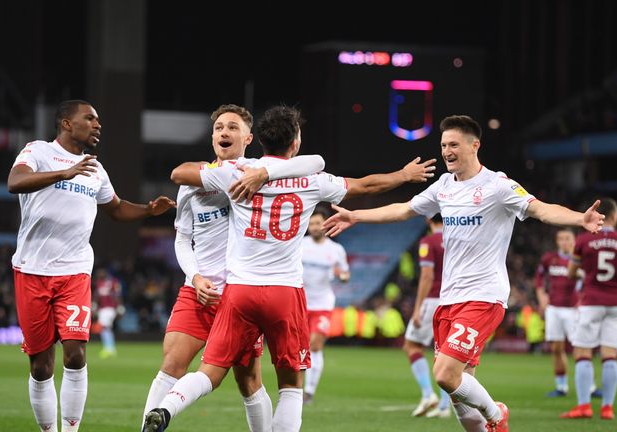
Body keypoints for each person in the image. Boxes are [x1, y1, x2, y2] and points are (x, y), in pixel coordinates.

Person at [143, 104, 435, 432]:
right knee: (291, 385)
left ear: (258, 140)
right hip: (284, 291)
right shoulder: (309, 178)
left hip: (240, 292)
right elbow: (364, 185)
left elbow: (180, 173)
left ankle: (166, 408)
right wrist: (404, 176)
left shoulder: (236, 172)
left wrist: (262, 173)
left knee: (211, 370)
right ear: (294, 143)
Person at [323, 115, 605, 432]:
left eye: (454, 144)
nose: (447, 151)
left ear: (475, 145)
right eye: (444, 145)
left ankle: (496, 414)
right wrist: (356, 215)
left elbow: (540, 208)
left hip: (483, 296)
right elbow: (404, 209)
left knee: (445, 374)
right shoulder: (444, 187)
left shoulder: (498, 186)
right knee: (458, 389)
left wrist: (580, 218)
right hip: (449, 300)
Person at [141, 103, 327, 431]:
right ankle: (149, 426)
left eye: (232, 127)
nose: (224, 133)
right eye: (219, 128)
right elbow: (183, 240)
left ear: (248, 137)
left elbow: (312, 162)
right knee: (172, 363)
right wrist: (195, 277)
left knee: (249, 381)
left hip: (240, 294)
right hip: (199, 290)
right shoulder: (196, 182)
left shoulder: (256, 174)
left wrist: (266, 172)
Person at [7, 99, 175, 432]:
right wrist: (64, 172)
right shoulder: (37, 151)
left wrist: (147, 210)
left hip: (75, 271)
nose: (98, 125)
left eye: (98, 120)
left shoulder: (95, 169)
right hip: (32, 270)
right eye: (90, 119)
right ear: (67, 123)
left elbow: (115, 207)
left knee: (76, 355)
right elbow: (15, 181)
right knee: (41, 366)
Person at [561, 197, 617, 420]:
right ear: (614, 216)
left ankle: (584, 406)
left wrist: (586, 273)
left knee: (583, 353)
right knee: (610, 355)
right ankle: (607, 408)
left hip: (591, 302)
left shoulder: (584, 241)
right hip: (615, 304)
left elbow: (571, 273)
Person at [300, 204, 351, 405]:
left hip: (323, 304)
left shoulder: (336, 250)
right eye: (311, 223)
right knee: (299, 347)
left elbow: (345, 274)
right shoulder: (300, 245)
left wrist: (343, 276)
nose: (314, 227)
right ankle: (295, 387)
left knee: (315, 345)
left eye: (317, 223)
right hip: (300, 302)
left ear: (325, 225)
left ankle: (309, 391)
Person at [403, 215, 451, 418]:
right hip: (454, 300)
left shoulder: (428, 242)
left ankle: (427, 394)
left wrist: (417, 307)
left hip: (432, 300)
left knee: (411, 345)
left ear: (428, 220)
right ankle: (444, 406)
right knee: (445, 353)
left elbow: (427, 275)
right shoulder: (456, 238)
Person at [534, 228, 578, 397]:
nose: (564, 242)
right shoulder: (549, 259)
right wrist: (541, 297)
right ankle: (561, 386)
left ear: (574, 241)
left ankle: (589, 386)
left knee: (580, 349)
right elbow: (539, 279)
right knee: (556, 349)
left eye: (567, 239)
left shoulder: (579, 259)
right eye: (561, 239)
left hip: (573, 309)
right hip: (553, 309)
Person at [93, 268, 123, 358]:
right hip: (102, 309)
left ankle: (108, 348)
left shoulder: (113, 282)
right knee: (106, 328)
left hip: (110, 309)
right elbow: (96, 296)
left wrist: (120, 307)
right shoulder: (98, 283)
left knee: (103, 327)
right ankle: (111, 348)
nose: (100, 274)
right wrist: (94, 306)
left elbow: (118, 295)